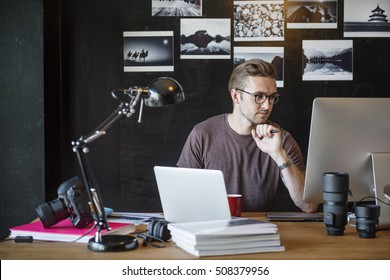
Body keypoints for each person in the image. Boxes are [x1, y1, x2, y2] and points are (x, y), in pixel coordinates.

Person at [177, 59, 318, 213]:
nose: (267, 105)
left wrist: (279, 155)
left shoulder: (281, 139)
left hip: (261, 231)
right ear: (236, 96)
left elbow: (309, 206)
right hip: (212, 228)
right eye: (259, 96)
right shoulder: (202, 135)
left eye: (271, 97)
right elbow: (181, 198)